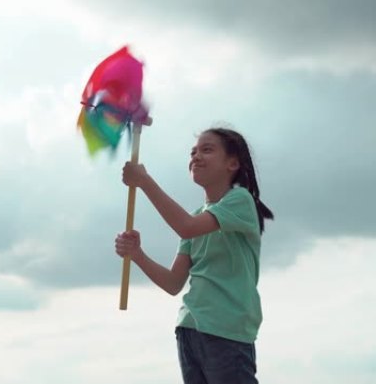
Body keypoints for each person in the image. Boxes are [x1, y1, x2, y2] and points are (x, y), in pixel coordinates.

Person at [115, 125, 274, 384]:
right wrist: (137, 254)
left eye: (207, 150)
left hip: (227, 330)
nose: (196, 157)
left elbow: (186, 227)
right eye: (193, 152)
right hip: (189, 329)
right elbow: (173, 283)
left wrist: (144, 181)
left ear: (232, 163)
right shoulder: (198, 214)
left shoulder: (240, 200)